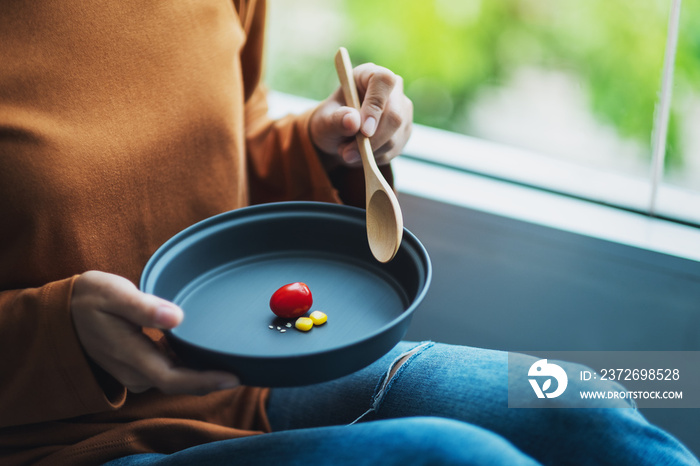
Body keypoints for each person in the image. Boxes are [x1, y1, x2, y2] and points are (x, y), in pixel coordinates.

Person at [0, 1, 697, 465]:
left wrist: (320, 147)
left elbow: (232, 148)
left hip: (257, 373)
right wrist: (61, 334)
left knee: (586, 407)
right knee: (458, 459)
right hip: (65, 441)